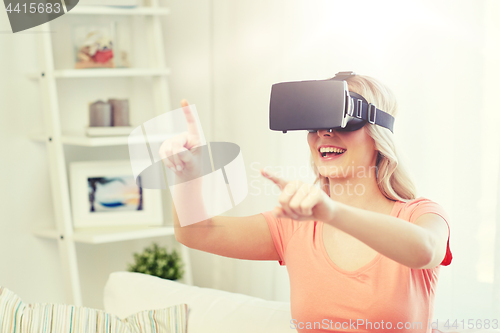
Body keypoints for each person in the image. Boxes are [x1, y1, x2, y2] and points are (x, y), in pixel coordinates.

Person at [159, 74, 452, 333]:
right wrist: (188, 172)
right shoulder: (295, 225)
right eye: (316, 122)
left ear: (378, 134)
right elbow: (195, 231)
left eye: (342, 120)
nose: (325, 133)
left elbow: (425, 249)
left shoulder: (420, 214)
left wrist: (332, 212)